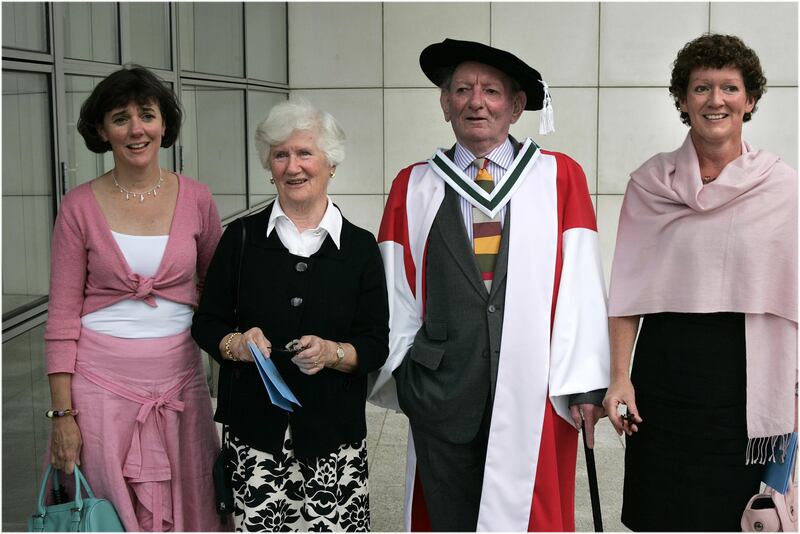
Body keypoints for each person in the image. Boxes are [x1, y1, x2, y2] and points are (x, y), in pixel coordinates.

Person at [368, 38, 610, 531]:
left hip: (533, 385)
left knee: (531, 517)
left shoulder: (557, 177)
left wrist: (585, 381)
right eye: (461, 89)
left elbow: (581, 282)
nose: (475, 101)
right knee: (446, 516)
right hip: (440, 388)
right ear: (444, 103)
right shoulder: (414, 185)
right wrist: (408, 374)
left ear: (517, 106)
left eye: (492, 91)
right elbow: (395, 290)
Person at [603, 33, 798, 531]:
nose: (716, 100)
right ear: (683, 100)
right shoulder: (650, 184)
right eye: (701, 87)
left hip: (745, 386)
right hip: (664, 379)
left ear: (749, 100)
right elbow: (627, 289)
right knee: (657, 514)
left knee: (731, 517)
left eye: (730, 88)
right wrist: (620, 376)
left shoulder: (782, 187)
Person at [192, 98, 389, 532]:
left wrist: (334, 353)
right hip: (256, 440)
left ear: (330, 163)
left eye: (305, 153)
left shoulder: (359, 247)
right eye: (281, 154)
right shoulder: (240, 238)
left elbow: (375, 343)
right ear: (269, 164)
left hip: (333, 442)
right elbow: (207, 322)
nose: (293, 166)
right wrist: (236, 345)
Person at [44, 65, 223, 531]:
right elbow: (62, 317)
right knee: (106, 512)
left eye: (147, 115)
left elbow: (220, 293)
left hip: (181, 383)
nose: (136, 129)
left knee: (194, 504)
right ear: (102, 131)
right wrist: (62, 415)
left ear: (164, 125)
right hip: (99, 389)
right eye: (120, 118)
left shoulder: (198, 199)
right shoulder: (78, 206)